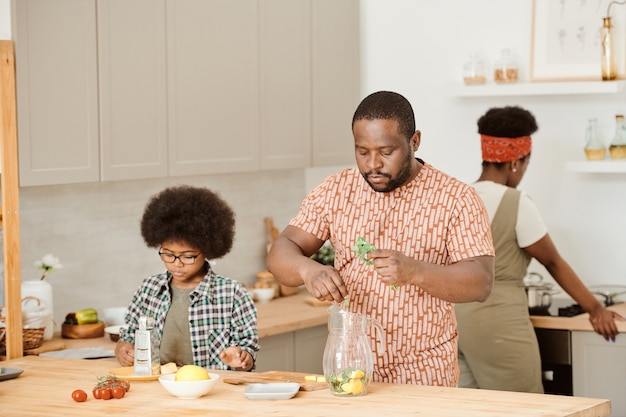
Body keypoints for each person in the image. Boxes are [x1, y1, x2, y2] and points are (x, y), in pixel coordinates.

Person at [266, 91, 495, 387]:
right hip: (351, 366)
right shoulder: (334, 191)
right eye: (362, 151)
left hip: (424, 370)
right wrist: (306, 269)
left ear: (414, 142)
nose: (373, 164)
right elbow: (281, 251)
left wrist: (415, 271)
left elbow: (481, 282)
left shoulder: (457, 198)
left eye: (386, 152)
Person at [455, 105, 623, 393]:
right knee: (526, 408)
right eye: (526, 165)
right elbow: (553, 262)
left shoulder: (460, 196)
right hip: (499, 324)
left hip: (457, 323)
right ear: (516, 162)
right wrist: (596, 309)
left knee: (475, 410)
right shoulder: (515, 202)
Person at [115, 185, 259, 371]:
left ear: (208, 249)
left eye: (188, 256)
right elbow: (128, 334)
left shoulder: (232, 293)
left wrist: (240, 359)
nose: (177, 263)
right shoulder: (149, 289)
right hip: (158, 385)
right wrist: (123, 348)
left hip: (211, 388)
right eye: (168, 254)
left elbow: (248, 349)